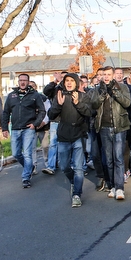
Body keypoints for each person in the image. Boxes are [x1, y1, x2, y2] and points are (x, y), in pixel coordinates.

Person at [47, 73, 93, 207]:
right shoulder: (60, 95)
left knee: (79, 168)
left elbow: (89, 113)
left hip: (78, 134)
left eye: (72, 81)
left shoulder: (83, 96)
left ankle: (77, 194)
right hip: (63, 135)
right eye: (67, 80)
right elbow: (51, 115)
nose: (69, 83)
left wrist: (78, 103)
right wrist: (58, 106)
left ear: (77, 83)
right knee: (64, 166)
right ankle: (73, 181)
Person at [92, 66, 131, 201]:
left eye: (109, 74)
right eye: (104, 74)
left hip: (119, 127)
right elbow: (93, 104)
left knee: (118, 158)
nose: (106, 77)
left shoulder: (122, 87)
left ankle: (120, 187)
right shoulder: (98, 89)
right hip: (104, 127)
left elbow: (127, 103)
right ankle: (112, 185)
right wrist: (103, 94)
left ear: (114, 75)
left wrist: (115, 92)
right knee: (108, 159)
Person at [1, 73, 46, 188]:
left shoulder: (34, 95)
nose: (22, 82)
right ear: (18, 81)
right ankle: (29, 167)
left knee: (27, 153)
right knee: (16, 153)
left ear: (28, 82)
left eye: (25, 80)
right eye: (20, 80)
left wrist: (35, 124)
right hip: (15, 129)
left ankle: (26, 177)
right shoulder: (11, 96)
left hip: (28, 129)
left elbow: (42, 111)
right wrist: (4, 128)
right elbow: (6, 112)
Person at [41, 72, 65, 176]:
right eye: (62, 77)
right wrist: (55, 81)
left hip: (68, 121)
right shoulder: (55, 89)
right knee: (53, 143)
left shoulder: (73, 90)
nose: (64, 80)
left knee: (69, 144)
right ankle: (51, 166)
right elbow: (46, 91)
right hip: (56, 120)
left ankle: (70, 164)